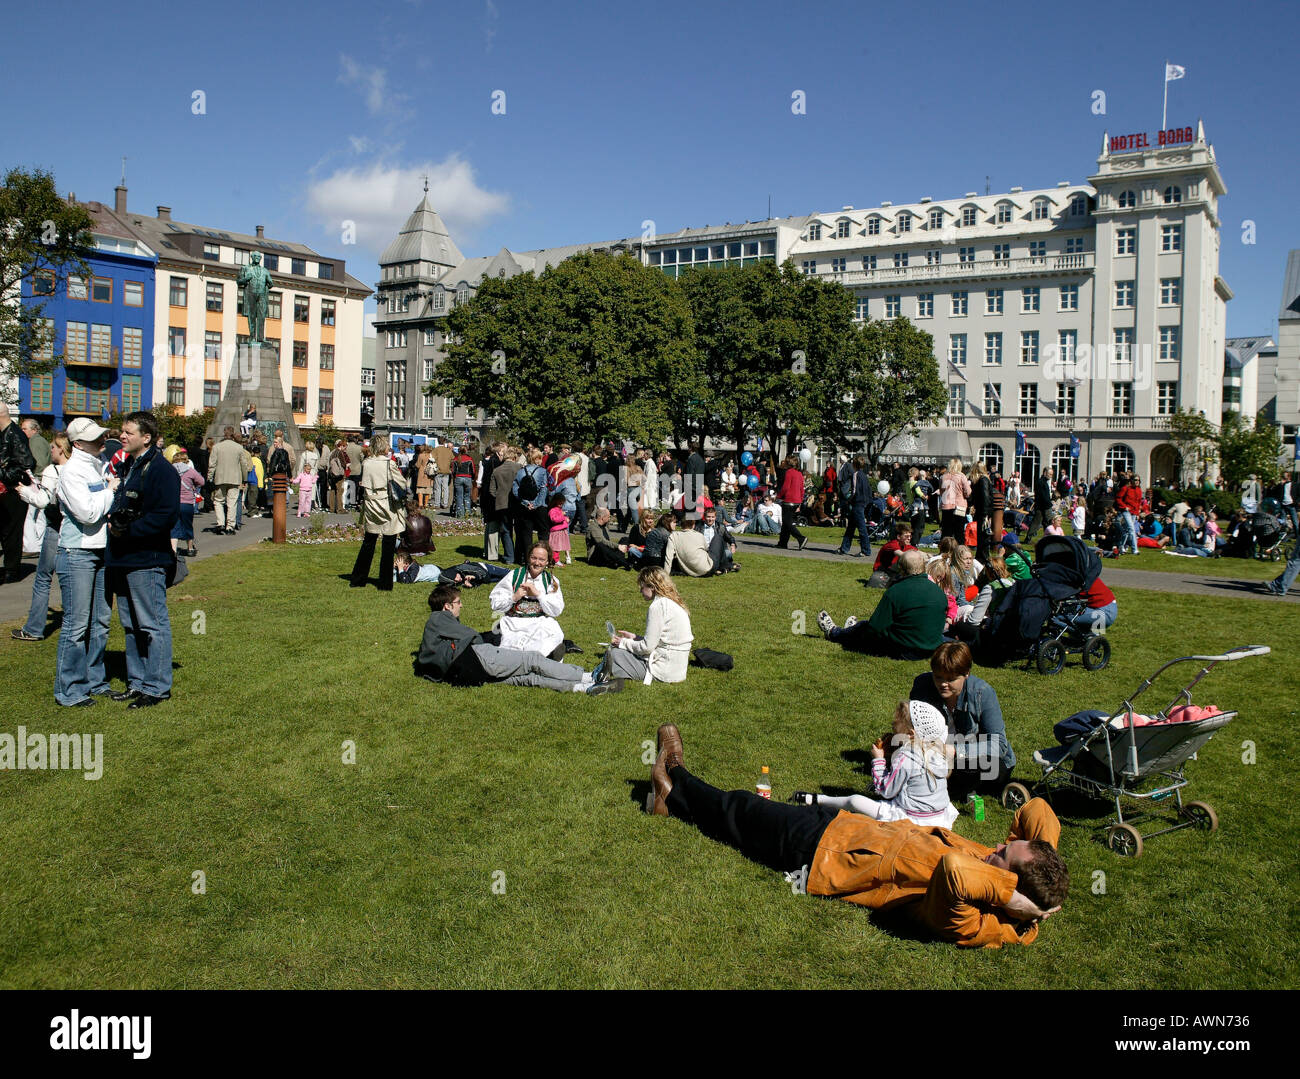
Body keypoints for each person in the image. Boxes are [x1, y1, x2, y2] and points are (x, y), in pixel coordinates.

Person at [646, 724, 1068, 947]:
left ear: (1007, 887)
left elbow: (954, 869)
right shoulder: (1000, 879)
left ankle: (676, 776)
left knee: (740, 810)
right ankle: (669, 797)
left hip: (823, 857)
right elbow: (1037, 810)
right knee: (748, 812)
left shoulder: (972, 920)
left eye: (1002, 856)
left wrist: (1010, 894)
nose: (994, 847)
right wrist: (1040, 893)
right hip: (848, 831)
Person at [104, 411, 180, 709]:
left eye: (128, 432)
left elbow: (165, 515)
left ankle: (157, 687)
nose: (122, 436)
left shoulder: (160, 469)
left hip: (147, 558)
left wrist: (129, 530)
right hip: (124, 559)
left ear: (146, 437)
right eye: (122, 431)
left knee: (151, 624)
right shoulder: (132, 465)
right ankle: (137, 682)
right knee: (130, 625)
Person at [791, 701, 957, 828]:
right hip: (939, 818)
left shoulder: (907, 757)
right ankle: (814, 799)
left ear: (910, 734)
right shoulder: (937, 751)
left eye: (896, 725)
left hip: (913, 820)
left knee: (854, 801)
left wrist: (878, 760)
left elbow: (886, 790)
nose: (893, 726)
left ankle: (816, 799)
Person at [418, 584, 602, 693]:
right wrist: (483, 645)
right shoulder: (438, 617)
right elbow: (470, 635)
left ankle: (583, 688)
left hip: (463, 677)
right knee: (532, 659)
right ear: (447, 606)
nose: (461, 605)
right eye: (458, 602)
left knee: (528, 678)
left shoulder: (431, 641)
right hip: (473, 659)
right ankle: (589, 676)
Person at [51, 419, 120, 705]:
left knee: (101, 621)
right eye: (94, 438)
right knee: (76, 625)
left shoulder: (98, 463)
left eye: (102, 435)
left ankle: (95, 679)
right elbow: (88, 514)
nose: (102, 441)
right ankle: (69, 689)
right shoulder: (71, 473)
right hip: (77, 551)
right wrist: (110, 490)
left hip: (102, 550)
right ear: (77, 444)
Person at [909, 642, 1015, 799]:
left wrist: (955, 751)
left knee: (988, 765)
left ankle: (945, 787)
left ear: (966, 673)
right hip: (939, 754)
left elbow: (998, 745)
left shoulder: (982, 693)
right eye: (938, 677)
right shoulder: (923, 685)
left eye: (951, 679)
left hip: (973, 756)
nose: (943, 684)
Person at [817, 550, 945, 660]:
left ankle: (834, 632)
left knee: (863, 626)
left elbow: (875, 627)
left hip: (904, 649)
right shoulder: (938, 591)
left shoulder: (896, 591)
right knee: (863, 629)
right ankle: (850, 631)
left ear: (901, 569)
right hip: (931, 648)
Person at [12, 433, 71, 641]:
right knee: (68, 578)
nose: (51, 450)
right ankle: (73, 621)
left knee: (43, 578)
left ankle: (34, 628)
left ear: (62, 449)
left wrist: (24, 492)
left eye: (54, 447)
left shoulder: (52, 470)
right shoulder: (78, 469)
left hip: (56, 527)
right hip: (73, 529)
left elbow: (43, 500)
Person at [594, 567, 694, 689]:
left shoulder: (657, 606)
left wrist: (623, 643)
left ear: (652, 586)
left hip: (663, 671)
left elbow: (647, 647)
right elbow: (662, 641)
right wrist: (635, 638)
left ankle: (596, 677)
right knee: (620, 652)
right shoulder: (673, 603)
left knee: (615, 654)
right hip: (678, 670)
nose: (640, 591)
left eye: (642, 587)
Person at [349, 436, 408, 590]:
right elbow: (401, 483)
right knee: (388, 545)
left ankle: (358, 579)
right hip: (386, 505)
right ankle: (385, 582)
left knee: (369, 542)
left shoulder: (367, 463)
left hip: (370, 503)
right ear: (383, 447)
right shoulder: (389, 463)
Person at [489, 541, 566, 659]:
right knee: (513, 644)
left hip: (538, 621)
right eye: (533, 558)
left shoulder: (551, 581)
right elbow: (495, 604)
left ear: (547, 562)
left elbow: (556, 610)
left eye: (541, 559)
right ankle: (537, 658)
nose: (537, 562)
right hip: (514, 622)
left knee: (554, 632)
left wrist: (539, 595)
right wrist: (514, 597)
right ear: (528, 558)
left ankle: (540, 656)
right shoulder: (514, 575)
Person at [0, 402, 38, 583]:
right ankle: (9, 569)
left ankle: (11, 570)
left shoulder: (15, 435)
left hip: (13, 491)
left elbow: (27, 464)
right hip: (6, 489)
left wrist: (5, 474)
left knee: (12, 532)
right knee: (7, 531)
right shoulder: (6, 434)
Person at [206, 427, 250, 535]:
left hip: (220, 478)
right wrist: (245, 478)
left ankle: (220, 523)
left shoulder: (216, 447)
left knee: (218, 501)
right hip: (234, 478)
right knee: (232, 502)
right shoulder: (239, 448)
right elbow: (244, 465)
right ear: (233, 435)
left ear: (223, 434)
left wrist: (209, 477)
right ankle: (230, 526)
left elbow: (212, 464)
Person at [510, 448, 550, 563]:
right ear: (537, 459)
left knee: (526, 533)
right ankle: (544, 557)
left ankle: (528, 558)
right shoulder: (542, 471)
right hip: (540, 506)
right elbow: (543, 489)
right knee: (543, 532)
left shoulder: (521, 471)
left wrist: (525, 502)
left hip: (524, 506)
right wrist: (536, 503)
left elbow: (515, 489)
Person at [663, 515, 731, 577]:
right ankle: (725, 566)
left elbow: (668, 557)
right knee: (718, 537)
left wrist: (666, 573)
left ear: (681, 525)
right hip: (707, 569)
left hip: (689, 571)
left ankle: (725, 566)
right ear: (693, 525)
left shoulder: (673, 536)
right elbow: (707, 550)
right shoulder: (699, 535)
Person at [171, 449, 203, 556]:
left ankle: (173, 550)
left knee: (174, 527)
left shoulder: (170, 470)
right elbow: (201, 481)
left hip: (174, 502)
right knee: (188, 525)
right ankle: (190, 548)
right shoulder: (190, 471)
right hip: (187, 502)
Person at [837, 456, 871, 557]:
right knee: (851, 526)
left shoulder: (856, 475)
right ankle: (844, 548)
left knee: (861, 528)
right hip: (863, 502)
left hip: (857, 503)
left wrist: (849, 500)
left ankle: (866, 550)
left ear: (854, 465)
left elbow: (855, 490)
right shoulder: (864, 475)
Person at [776, 455, 807, 550]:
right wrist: (800, 501)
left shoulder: (789, 472)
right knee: (786, 523)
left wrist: (779, 496)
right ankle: (782, 542)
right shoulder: (799, 474)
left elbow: (785, 487)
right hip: (797, 501)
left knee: (787, 522)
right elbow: (802, 489)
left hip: (789, 500)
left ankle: (801, 538)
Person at [937, 458, 971, 543]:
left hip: (946, 506)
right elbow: (968, 492)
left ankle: (945, 550)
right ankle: (959, 550)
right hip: (959, 506)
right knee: (959, 530)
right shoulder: (961, 476)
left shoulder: (943, 477)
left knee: (946, 530)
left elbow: (941, 491)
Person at [545, 491, 571, 566]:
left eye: (562, 503)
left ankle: (556, 560)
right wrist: (563, 516)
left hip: (561, 530)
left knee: (559, 547)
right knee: (556, 547)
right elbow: (554, 519)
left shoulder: (559, 509)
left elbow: (560, 517)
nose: (561, 504)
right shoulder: (553, 510)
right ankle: (555, 560)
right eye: (560, 503)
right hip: (556, 532)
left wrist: (566, 518)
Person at [452, 444, 476, 518]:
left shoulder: (456, 459)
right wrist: (473, 477)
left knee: (459, 496)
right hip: (468, 478)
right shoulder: (469, 459)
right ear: (466, 450)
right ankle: (467, 513)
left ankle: (460, 513)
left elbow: (453, 470)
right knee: (467, 496)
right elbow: (473, 470)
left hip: (458, 478)